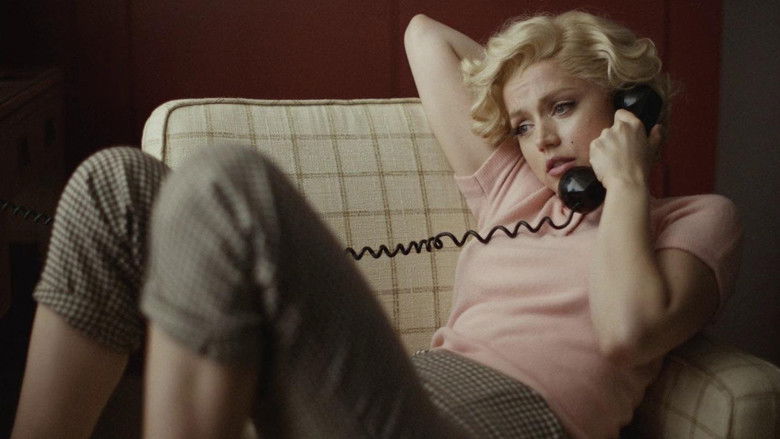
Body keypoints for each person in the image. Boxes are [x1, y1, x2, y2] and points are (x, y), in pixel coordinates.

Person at [10, 10, 741, 439]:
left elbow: (627, 331)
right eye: (522, 123)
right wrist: (516, 72)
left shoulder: (697, 219)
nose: (541, 139)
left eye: (562, 107)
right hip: (386, 391)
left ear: (630, 106)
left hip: (493, 423)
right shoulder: (513, 193)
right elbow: (424, 37)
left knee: (226, 182)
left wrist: (627, 180)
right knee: (114, 183)